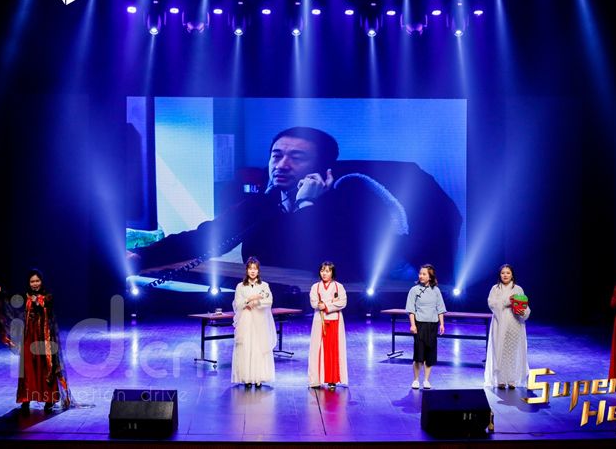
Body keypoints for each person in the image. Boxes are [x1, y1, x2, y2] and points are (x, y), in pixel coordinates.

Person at [129, 126, 458, 282]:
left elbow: (337, 267)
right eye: (276, 155)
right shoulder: (263, 204)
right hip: (277, 303)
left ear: (322, 169)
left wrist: (307, 206)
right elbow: (207, 237)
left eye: (296, 157)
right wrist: (142, 256)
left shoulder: (352, 202)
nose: (281, 165)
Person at [0, 269, 73, 412]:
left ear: (41, 282)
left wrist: (38, 302)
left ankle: (48, 400)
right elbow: (9, 297)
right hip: (29, 337)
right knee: (27, 368)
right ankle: (26, 399)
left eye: (37, 281)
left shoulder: (48, 297)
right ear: (29, 283)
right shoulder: (25, 296)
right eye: (32, 281)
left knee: (45, 368)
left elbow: (45, 306)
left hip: (44, 339)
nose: (35, 284)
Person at [231, 257, 277, 388]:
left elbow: (269, 301)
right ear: (246, 270)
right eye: (250, 268)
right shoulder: (240, 286)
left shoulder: (264, 285)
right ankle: (246, 377)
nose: (252, 271)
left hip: (260, 319)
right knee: (246, 346)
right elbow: (237, 303)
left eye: (255, 269)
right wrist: (248, 300)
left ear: (258, 270)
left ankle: (258, 377)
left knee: (258, 346)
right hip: (246, 320)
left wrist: (257, 302)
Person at [484, 264, 531, 389]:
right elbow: (492, 304)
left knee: (512, 352)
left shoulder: (518, 289)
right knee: (499, 350)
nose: (505, 275)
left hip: (514, 324)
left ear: (512, 275)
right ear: (500, 275)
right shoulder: (495, 288)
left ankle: (511, 380)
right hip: (500, 323)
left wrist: (523, 312)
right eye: (503, 273)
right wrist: (507, 302)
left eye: (508, 273)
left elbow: (525, 307)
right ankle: (500, 380)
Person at [405, 264, 446, 389]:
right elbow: (411, 310)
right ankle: (416, 380)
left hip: (432, 325)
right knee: (419, 353)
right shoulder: (414, 290)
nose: (421, 276)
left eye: (424, 274)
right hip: (420, 324)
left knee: (430, 353)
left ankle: (426, 380)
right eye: (420, 273)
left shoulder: (436, 290)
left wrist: (442, 324)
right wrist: (413, 325)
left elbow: (440, 308)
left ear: (430, 276)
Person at [307, 261, 348, 389]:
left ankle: (332, 379)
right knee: (317, 349)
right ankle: (316, 380)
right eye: (322, 271)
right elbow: (314, 303)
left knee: (333, 350)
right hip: (320, 320)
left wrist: (326, 305)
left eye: (327, 271)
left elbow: (342, 302)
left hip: (335, 320)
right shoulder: (315, 287)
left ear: (332, 273)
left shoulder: (338, 286)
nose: (324, 273)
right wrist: (329, 303)